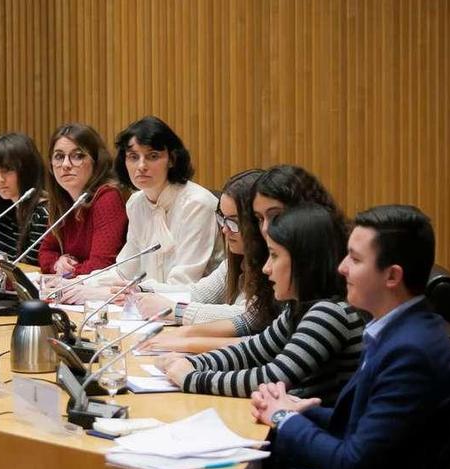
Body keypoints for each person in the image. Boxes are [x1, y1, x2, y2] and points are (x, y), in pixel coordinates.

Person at [250, 205, 450, 469]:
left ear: (392, 276)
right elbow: (370, 427)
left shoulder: (411, 353)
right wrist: (300, 411)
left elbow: (354, 465)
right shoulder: (393, 331)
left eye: (354, 258)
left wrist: (282, 418)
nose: (341, 267)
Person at [157, 204, 365, 401]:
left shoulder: (329, 313)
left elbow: (272, 377)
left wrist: (191, 378)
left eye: (274, 256)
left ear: (304, 262)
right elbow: (251, 352)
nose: (266, 268)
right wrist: (192, 362)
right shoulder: (299, 307)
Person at [141, 165, 347, 353]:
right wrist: (144, 291)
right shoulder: (251, 258)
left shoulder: (322, 300)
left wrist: (183, 333)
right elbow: (250, 326)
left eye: (273, 216)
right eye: (260, 219)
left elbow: (262, 342)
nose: (266, 227)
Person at [59, 116, 222, 302]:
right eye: (133, 157)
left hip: (195, 313)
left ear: (172, 159)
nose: (141, 166)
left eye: (152, 156)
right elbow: (125, 270)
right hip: (148, 308)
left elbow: (182, 286)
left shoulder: (197, 204)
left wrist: (109, 295)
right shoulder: (136, 203)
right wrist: (77, 284)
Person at [134, 168, 263, 322]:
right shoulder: (235, 263)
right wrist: (142, 289)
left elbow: (249, 316)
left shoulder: (273, 267)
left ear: (259, 221)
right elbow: (198, 293)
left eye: (234, 221)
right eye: (223, 218)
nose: (225, 229)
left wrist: (176, 311)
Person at [37, 123, 128, 276]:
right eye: (59, 156)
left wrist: (68, 272)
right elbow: (45, 252)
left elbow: (101, 266)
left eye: (77, 156)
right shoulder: (62, 200)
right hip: (77, 289)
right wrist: (57, 264)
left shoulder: (107, 198)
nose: (65, 165)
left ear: (96, 161)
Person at [0, 132, 49, 265]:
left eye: (7, 170)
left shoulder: (43, 214)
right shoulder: (3, 210)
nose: (0, 180)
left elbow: (32, 270)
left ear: (27, 171)